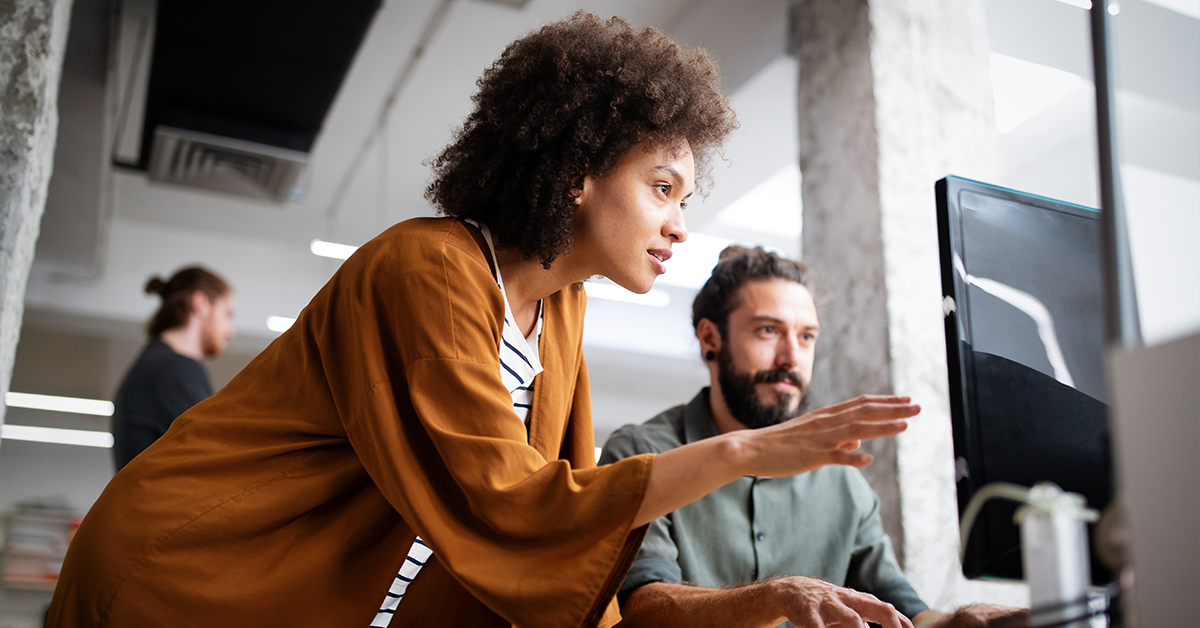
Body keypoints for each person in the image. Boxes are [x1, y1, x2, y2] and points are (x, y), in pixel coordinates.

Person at [46, 14, 917, 628]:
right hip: (190, 579)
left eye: (684, 198)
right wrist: (745, 452)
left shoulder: (561, 310)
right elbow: (511, 502)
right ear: (578, 170)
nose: (680, 225)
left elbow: (564, 516)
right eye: (662, 187)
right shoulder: (425, 268)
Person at [601, 246, 1026, 628]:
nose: (791, 358)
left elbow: (899, 603)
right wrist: (775, 597)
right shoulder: (642, 453)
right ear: (711, 338)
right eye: (768, 331)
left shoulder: (840, 478)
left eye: (806, 337)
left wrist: (955, 622)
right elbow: (643, 608)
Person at [111, 266, 235, 471]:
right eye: (227, 314)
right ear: (200, 303)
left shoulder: (158, 363)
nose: (231, 332)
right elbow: (216, 458)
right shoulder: (174, 369)